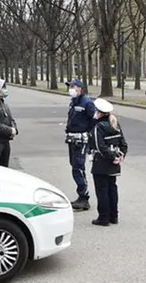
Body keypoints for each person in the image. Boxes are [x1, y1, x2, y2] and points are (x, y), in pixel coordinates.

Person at [89, 98, 128, 226]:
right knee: (112, 189)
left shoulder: (98, 127)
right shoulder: (115, 124)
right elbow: (123, 144)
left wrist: (111, 157)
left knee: (102, 190)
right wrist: (120, 156)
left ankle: (103, 217)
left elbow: (100, 147)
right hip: (114, 164)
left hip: (101, 163)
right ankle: (114, 216)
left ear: (100, 113)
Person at [64, 78, 96, 211]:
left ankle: (84, 196)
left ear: (80, 89)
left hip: (81, 140)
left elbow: (94, 121)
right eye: (70, 86)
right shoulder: (74, 102)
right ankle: (81, 194)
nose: (70, 89)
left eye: (73, 87)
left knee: (78, 167)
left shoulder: (87, 103)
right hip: (72, 139)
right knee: (74, 165)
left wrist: (90, 137)